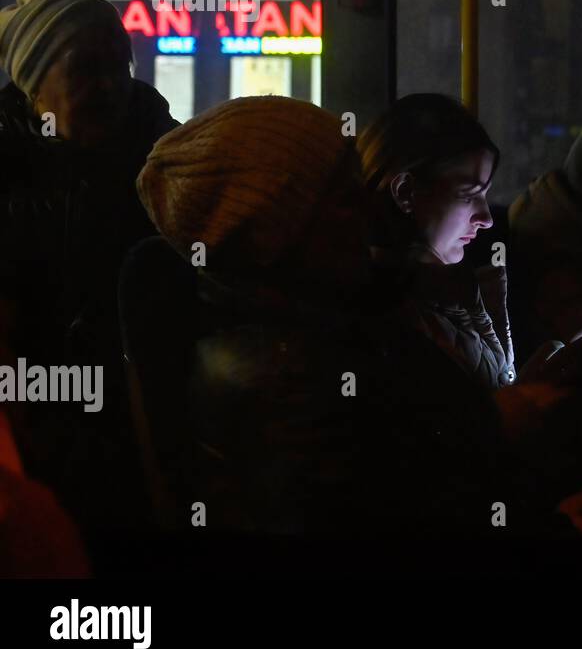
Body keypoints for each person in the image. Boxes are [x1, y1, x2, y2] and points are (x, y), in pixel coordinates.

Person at [132, 96, 505, 533]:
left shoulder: (319, 324)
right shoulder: (291, 378)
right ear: (277, 231)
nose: (371, 211)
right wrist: (502, 434)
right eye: (346, 199)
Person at [0, 0, 178, 529]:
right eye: (84, 71)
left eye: (119, 67)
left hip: (153, 441)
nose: (110, 87)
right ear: (33, 89)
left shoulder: (171, 165)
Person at [357, 94, 516, 390]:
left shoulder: (452, 292)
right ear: (406, 192)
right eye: (469, 195)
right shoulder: (393, 322)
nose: (486, 218)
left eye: (485, 195)